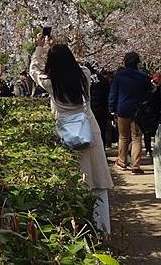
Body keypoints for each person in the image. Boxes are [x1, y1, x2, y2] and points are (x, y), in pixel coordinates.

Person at [30, 35, 113, 233]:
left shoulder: (50, 81)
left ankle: (79, 230)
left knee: (77, 182)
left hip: (67, 133)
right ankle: (103, 229)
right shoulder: (83, 75)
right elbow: (74, 66)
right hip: (89, 129)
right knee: (98, 180)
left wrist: (39, 48)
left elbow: (33, 70)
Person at [108, 52, 151, 174]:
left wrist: (111, 108)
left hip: (122, 109)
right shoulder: (144, 77)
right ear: (137, 63)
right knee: (137, 138)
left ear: (125, 62)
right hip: (138, 111)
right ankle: (135, 165)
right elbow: (149, 94)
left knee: (123, 137)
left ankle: (121, 162)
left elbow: (113, 93)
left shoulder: (119, 76)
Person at [87, 64, 111, 148]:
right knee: (101, 131)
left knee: (90, 131)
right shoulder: (102, 80)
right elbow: (107, 94)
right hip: (101, 109)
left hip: (89, 109)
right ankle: (102, 149)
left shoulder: (85, 79)